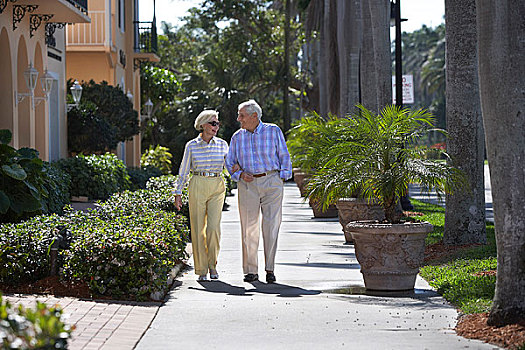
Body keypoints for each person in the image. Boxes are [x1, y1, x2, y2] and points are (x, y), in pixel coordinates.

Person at [226, 99, 292, 283]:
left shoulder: (273, 131)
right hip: (248, 185)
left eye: (242, 115)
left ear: (254, 116)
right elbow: (229, 161)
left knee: (271, 226)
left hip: (272, 181)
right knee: (249, 227)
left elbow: (284, 154)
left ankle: (270, 269)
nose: (239, 119)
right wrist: (239, 174)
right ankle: (251, 270)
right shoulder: (237, 137)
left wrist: (282, 177)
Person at [173, 110, 229, 281]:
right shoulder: (191, 145)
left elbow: (231, 166)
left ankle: (213, 265)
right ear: (202, 125)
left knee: (213, 228)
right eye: (213, 123)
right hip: (197, 182)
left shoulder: (222, 144)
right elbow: (183, 170)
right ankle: (202, 269)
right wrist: (178, 193)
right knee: (198, 228)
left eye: (218, 124)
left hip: (217, 185)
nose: (216, 127)